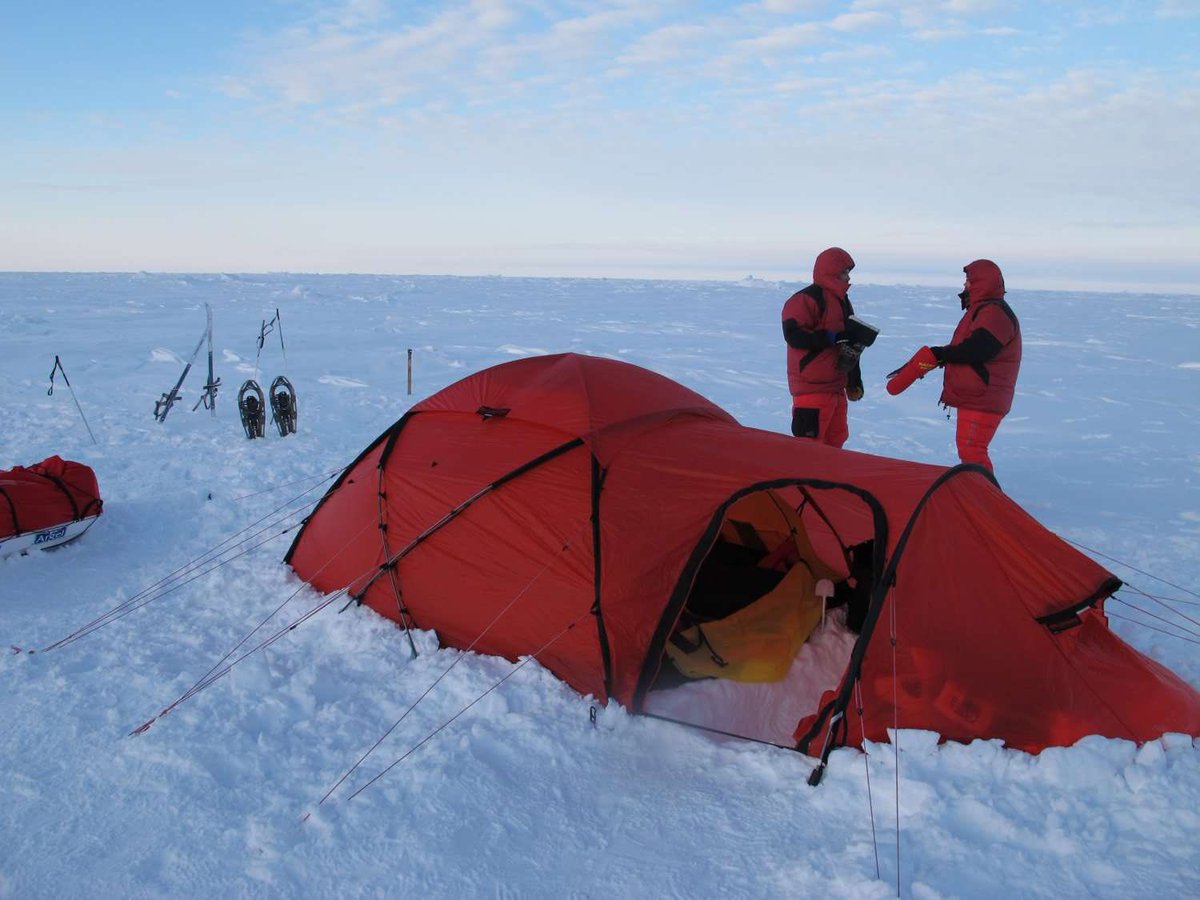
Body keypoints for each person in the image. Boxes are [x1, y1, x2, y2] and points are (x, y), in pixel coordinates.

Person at [887, 259, 1021, 472]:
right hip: (977, 396)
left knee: (973, 451)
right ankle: (978, 497)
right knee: (970, 451)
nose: (965, 285)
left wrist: (941, 355)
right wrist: (934, 359)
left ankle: (984, 500)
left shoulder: (994, 312)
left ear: (981, 283)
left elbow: (979, 349)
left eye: (969, 280)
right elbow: (968, 348)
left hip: (983, 398)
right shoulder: (983, 310)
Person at [781, 247, 866, 448]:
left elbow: (847, 345)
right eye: (844, 272)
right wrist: (831, 337)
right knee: (808, 449)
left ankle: (830, 479)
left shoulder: (842, 301)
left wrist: (854, 379)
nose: (847, 277)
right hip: (812, 389)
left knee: (835, 444)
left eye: (848, 273)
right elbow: (793, 335)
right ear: (831, 272)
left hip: (836, 388)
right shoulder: (806, 299)